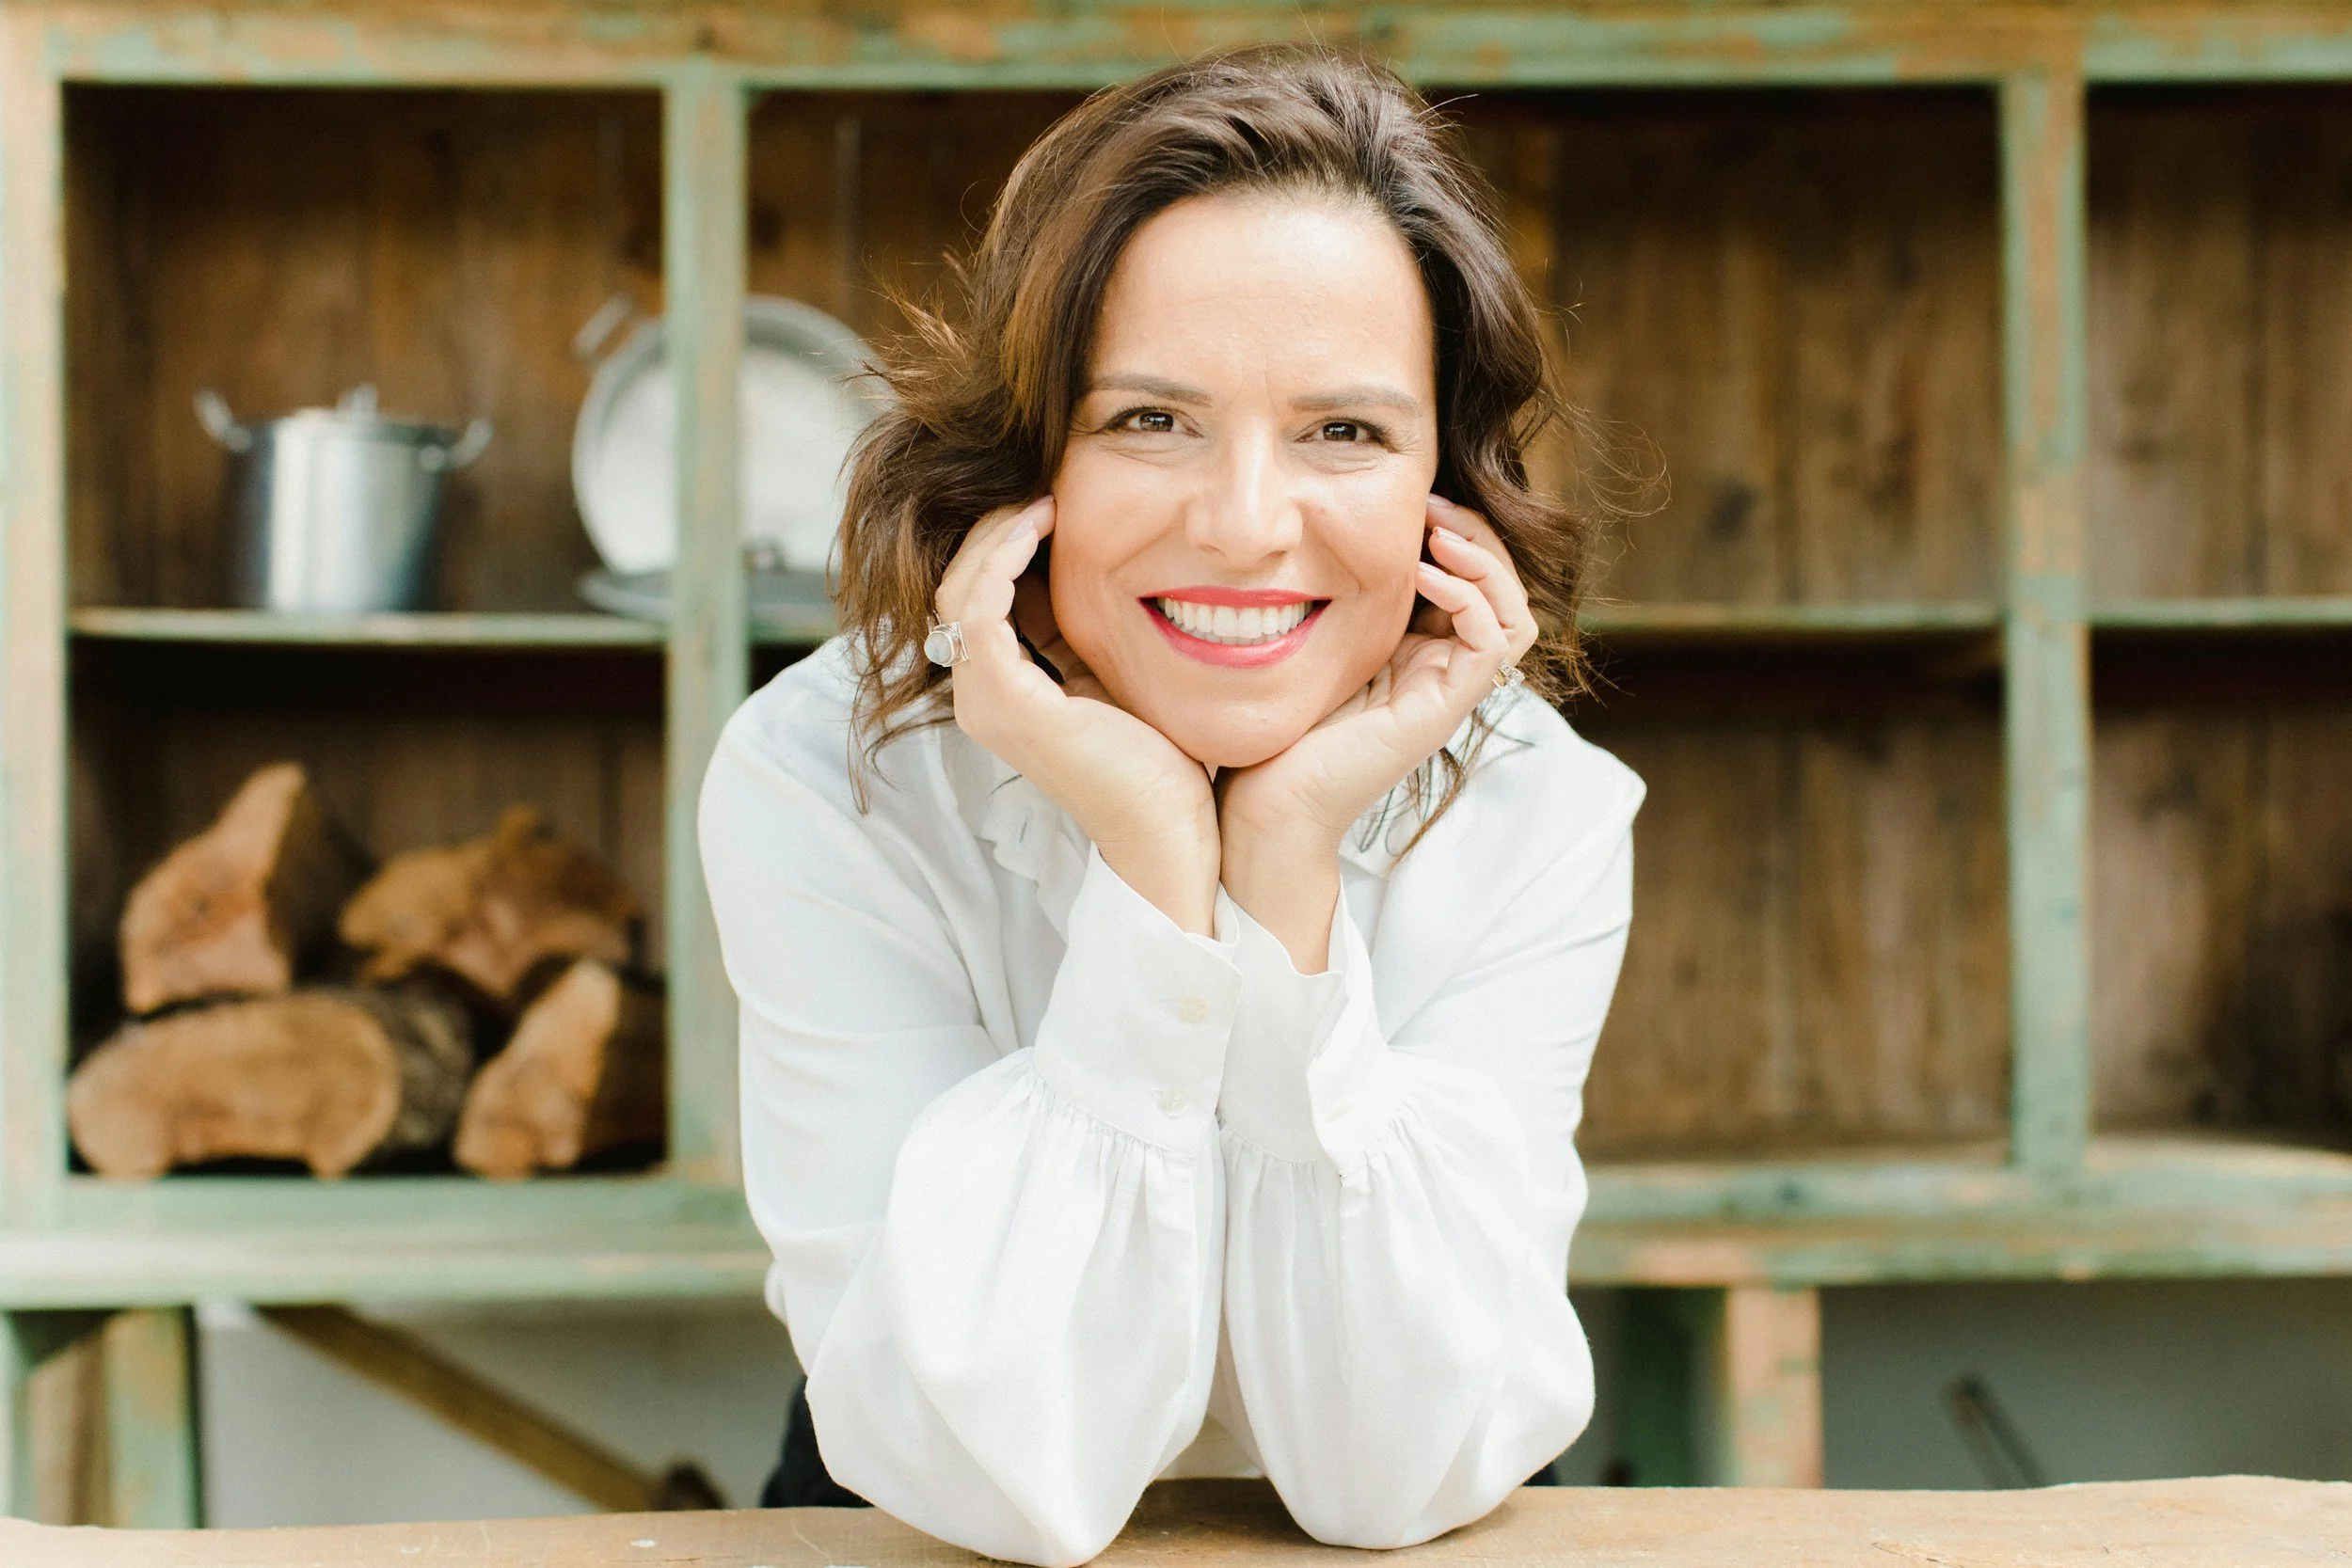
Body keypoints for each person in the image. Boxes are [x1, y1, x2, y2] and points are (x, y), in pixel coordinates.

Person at [699, 43, 1644, 1568]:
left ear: (1441, 491)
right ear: (1028, 451)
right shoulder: (829, 773)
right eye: (1150, 419)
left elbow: (1396, 1475)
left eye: (1346, 431)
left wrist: (1280, 870)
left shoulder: (1539, 814)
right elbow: (989, 1469)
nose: (1247, 524)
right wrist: (1152, 869)